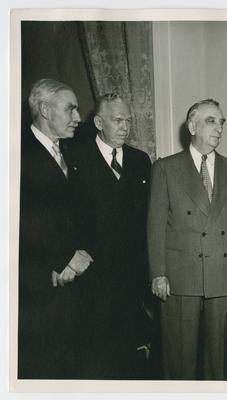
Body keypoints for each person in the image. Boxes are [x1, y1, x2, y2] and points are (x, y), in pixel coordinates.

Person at [147, 99, 227, 380]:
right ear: (192, 126)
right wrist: (158, 273)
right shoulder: (166, 168)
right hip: (181, 275)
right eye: (211, 121)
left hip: (222, 272)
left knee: (217, 357)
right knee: (179, 357)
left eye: (221, 122)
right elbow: (155, 227)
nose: (219, 128)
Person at [68, 93, 152, 379]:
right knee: (97, 354)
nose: (125, 127)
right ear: (99, 122)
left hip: (132, 277)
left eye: (128, 120)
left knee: (131, 354)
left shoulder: (141, 162)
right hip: (93, 278)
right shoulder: (75, 159)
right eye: (117, 120)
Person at [18, 78, 93, 378]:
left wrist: (79, 257)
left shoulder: (72, 151)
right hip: (38, 285)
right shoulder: (17, 153)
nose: (78, 117)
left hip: (72, 280)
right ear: (45, 110)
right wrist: (63, 257)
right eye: (70, 109)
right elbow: (22, 220)